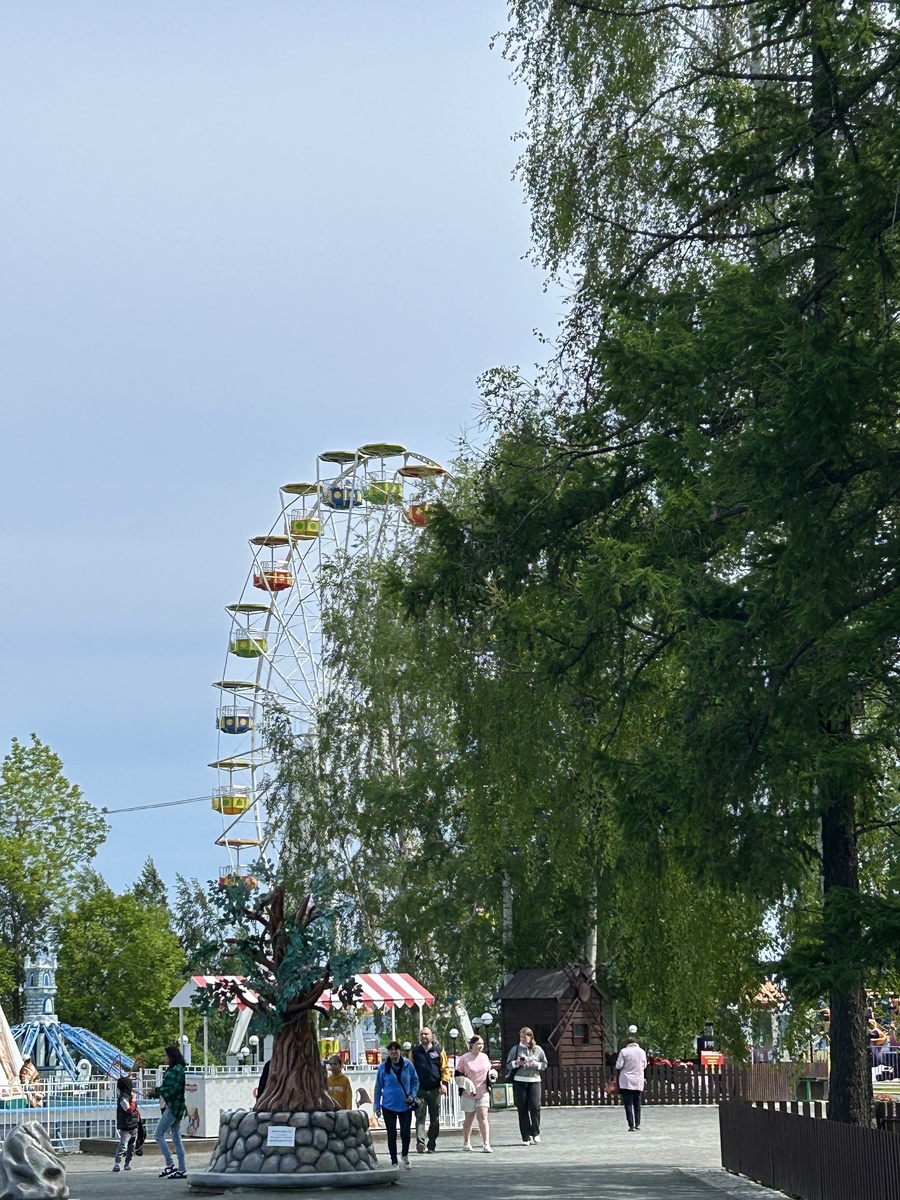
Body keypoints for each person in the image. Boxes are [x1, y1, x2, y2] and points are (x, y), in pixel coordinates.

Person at [374, 1041, 418, 1170]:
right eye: (391, 1049)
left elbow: (415, 1081)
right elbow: (378, 1088)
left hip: (405, 1104)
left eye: (396, 1049)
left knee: (406, 1133)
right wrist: (377, 1105)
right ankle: (393, 1160)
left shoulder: (408, 1065)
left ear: (400, 1051)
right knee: (391, 1133)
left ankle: (405, 1154)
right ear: (388, 1052)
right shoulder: (383, 1067)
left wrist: (412, 1095)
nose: (394, 1052)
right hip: (388, 1105)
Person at [409, 1026, 450, 1154]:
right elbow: (409, 1070)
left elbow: (445, 1069)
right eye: (422, 1034)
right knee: (420, 1117)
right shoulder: (414, 1052)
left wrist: (444, 1084)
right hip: (419, 1090)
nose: (424, 1036)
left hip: (434, 1090)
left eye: (426, 1034)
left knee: (435, 1118)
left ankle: (431, 1143)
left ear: (431, 1036)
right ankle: (421, 1143)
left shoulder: (439, 1050)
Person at [506, 1027, 547, 1146]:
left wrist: (537, 1064)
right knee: (522, 1108)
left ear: (530, 1037)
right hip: (519, 1080)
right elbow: (508, 1064)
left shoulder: (538, 1049)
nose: (523, 1039)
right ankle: (525, 1136)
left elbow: (545, 1064)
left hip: (534, 1080)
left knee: (535, 1106)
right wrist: (516, 1063)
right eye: (521, 1037)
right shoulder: (515, 1049)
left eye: (525, 1036)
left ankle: (535, 1132)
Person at [456, 1033, 495, 1153]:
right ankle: (466, 1142)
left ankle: (486, 1143)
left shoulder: (484, 1057)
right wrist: (465, 1082)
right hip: (468, 1092)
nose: (480, 1046)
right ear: (472, 1045)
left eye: (482, 1044)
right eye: (478, 1044)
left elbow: (489, 1069)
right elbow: (457, 1075)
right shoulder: (464, 1058)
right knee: (469, 1117)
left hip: (483, 1091)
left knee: (483, 1116)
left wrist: (492, 1075)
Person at [154, 1043, 188, 1179]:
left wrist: (158, 1090)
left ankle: (170, 1164)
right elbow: (168, 1088)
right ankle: (181, 1168)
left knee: (158, 1134)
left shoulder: (177, 1070)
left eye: (165, 1055)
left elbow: (172, 1089)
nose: (164, 1057)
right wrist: (157, 1091)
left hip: (174, 1107)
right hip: (175, 1107)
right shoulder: (174, 1069)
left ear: (171, 1057)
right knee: (176, 1138)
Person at [615, 1034, 648, 1132]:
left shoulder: (624, 1051)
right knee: (637, 1102)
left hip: (626, 1080)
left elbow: (618, 1065)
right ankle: (638, 1123)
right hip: (638, 1079)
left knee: (628, 1103)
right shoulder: (642, 1052)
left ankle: (631, 1125)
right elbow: (644, 1065)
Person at [113, 1076, 140, 1172]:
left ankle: (128, 1163)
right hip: (126, 1125)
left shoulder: (129, 1096)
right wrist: (133, 1100)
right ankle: (117, 1163)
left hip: (134, 1124)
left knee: (132, 1146)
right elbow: (129, 1109)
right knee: (123, 1145)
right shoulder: (122, 1098)